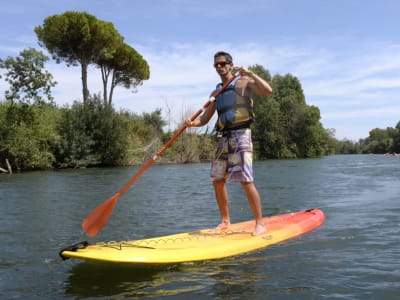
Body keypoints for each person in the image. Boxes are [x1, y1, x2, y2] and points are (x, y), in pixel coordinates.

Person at [186, 51, 272, 236]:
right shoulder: (216, 92)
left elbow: (267, 90)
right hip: (224, 138)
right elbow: (205, 119)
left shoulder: (243, 82)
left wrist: (250, 73)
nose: (219, 67)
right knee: (217, 180)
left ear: (230, 64)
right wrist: (191, 124)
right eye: (216, 65)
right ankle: (225, 221)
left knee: (245, 181)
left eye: (223, 63)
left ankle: (260, 223)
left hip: (242, 135)